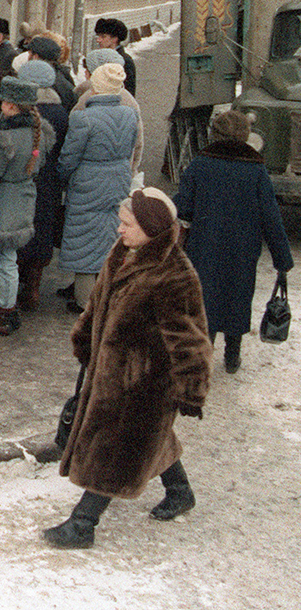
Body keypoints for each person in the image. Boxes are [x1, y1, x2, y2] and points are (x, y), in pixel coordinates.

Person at [43, 188, 210, 549]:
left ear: (150, 227)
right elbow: (97, 302)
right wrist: (85, 338)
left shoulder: (174, 275)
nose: (119, 230)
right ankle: (180, 491)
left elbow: (190, 339)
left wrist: (192, 389)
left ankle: (83, 523)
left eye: (127, 224)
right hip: (110, 371)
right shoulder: (122, 255)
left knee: (115, 446)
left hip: (145, 381)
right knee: (149, 437)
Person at [174, 110, 292, 374]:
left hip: (204, 245)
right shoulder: (256, 170)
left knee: (205, 298)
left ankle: (204, 354)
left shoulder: (201, 164)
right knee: (237, 297)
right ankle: (232, 355)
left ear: (214, 135)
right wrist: (282, 260)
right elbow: (271, 216)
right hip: (243, 249)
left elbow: (183, 206)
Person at [58, 62, 140, 312]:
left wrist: (64, 179)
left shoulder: (83, 118)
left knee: (84, 239)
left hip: (88, 181)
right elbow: (131, 148)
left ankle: (85, 302)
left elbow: (69, 158)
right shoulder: (129, 114)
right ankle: (107, 295)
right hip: (118, 178)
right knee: (111, 234)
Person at [0, 74, 52, 335]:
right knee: (5, 259)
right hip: (25, 197)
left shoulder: (3, 139)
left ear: (9, 105)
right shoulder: (39, 133)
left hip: (1, 205)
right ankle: (6, 308)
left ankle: (5, 313)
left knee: (2, 260)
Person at [14, 60, 69, 312]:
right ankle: (34, 286)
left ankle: (13, 286)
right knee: (43, 229)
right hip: (50, 182)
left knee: (19, 228)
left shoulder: (25, 112)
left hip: (26, 178)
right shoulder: (61, 112)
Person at [94, 17, 137, 96]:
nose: (98, 40)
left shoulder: (125, 61)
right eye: (98, 36)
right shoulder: (98, 58)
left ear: (115, 39)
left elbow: (128, 93)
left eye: (103, 37)